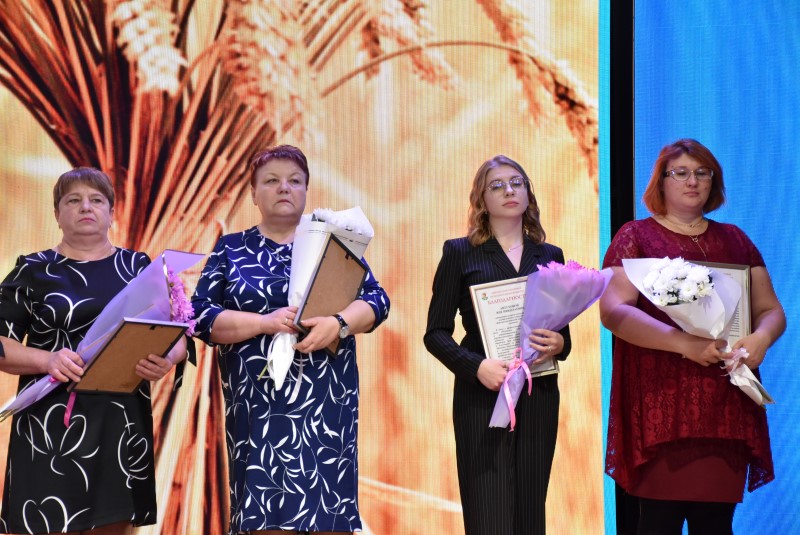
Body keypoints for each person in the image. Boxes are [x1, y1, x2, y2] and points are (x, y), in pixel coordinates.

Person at [191, 144, 390, 535]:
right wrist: (263, 323)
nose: (284, 188)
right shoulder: (231, 248)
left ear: (306, 191)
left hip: (324, 407)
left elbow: (377, 300)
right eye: (271, 181)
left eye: (294, 181)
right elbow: (200, 316)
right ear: (253, 193)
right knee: (263, 517)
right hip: (257, 407)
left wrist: (339, 323)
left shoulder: (330, 244)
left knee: (325, 517)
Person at [600, 139, 785, 535]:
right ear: (661, 182)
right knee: (658, 524)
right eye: (680, 173)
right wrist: (684, 344)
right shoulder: (635, 236)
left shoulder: (736, 239)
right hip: (662, 406)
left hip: (726, 406)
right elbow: (613, 312)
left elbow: (772, 311)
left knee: (716, 526)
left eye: (703, 173)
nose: (693, 181)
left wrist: (761, 339)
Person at [0, 167, 188, 535]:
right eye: (73, 200)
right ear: (57, 214)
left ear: (112, 213)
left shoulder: (138, 267)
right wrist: (47, 359)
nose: (86, 207)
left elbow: (179, 332)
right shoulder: (33, 270)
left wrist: (166, 359)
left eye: (96, 200)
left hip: (120, 425)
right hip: (48, 430)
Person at [423, 155, 571, 535]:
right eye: (497, 185)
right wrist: (476, 367)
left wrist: (558, 342)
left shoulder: (550, 256)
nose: (509, 190)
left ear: (528, 194)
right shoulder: (460, 252)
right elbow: (435, 333)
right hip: (483, 393)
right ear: (481, 200)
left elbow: (563, 337)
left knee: (530, 512)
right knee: (487, 511)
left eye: (517, 183)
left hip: (538, 391)